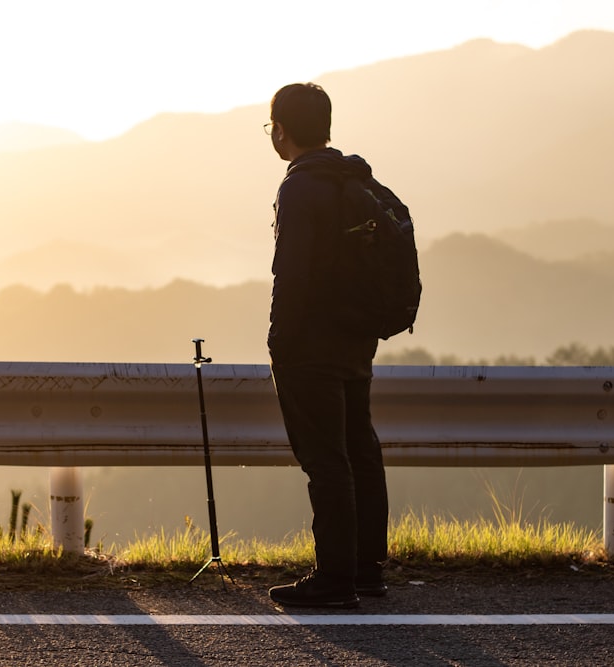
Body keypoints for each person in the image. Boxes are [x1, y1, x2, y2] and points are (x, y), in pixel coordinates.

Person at [264, 83, 389, 609]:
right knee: (360, 451)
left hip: (311, 347)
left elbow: (290, 276)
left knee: (327, 462)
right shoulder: (353, 179)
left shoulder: (300, 187)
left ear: (281, 130)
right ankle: (365, 570)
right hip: (356, 340)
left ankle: (334, 579)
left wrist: (279, 342)